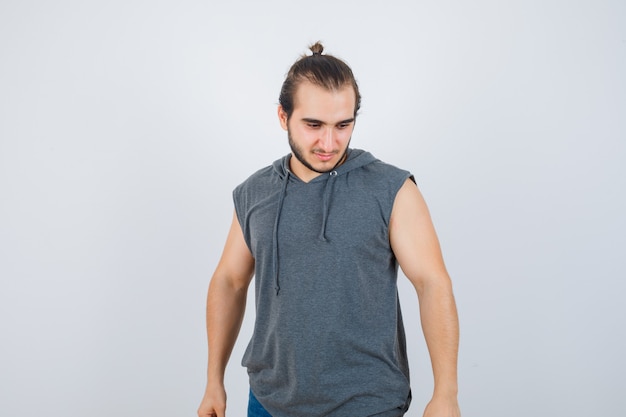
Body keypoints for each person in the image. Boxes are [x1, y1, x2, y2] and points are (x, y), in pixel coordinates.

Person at [198, 42, 460, 417]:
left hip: (368, 405)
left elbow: (433, 283)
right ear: (282, 117)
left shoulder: (392, 189)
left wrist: (446, 394)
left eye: (343, 125)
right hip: (269, 402)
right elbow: (229, 281)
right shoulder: (255, 192)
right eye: (313, 125)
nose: (329, 143)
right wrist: (213, 381)